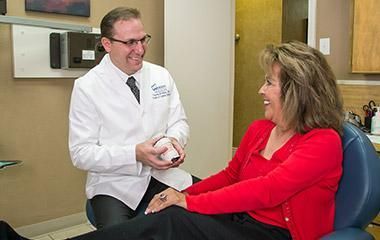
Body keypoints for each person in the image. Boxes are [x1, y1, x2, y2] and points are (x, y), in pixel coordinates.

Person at [0, 41, 344, 240]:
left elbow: (266, 190)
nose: (261, 91)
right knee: (161, 219)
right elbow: (230, 175)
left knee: (173, 222)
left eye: (269, 83)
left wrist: (187, 202)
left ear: (296, 91)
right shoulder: (259, 130)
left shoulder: (322, 142)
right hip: (240, 218)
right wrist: (183, 194)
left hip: (277, 234)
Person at [67, 7, 193, 229]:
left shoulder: (160, 75)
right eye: (130, 42)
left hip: (163, 175)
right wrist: (134, 153)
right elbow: (81, 154)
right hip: (114, 184)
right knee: (122, 235)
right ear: (107, 44)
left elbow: (179, 122)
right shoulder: (87, 87)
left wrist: (174, 141)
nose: (140, 49)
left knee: (208, 215)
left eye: (143, 40)